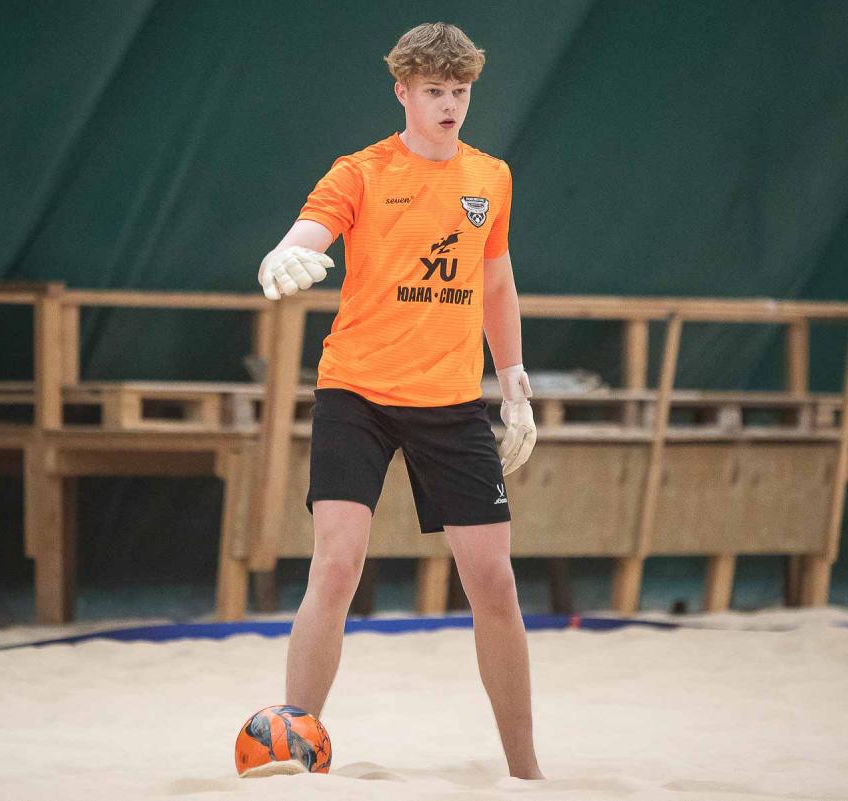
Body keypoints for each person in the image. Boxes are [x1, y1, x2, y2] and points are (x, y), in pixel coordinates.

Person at [256, 22, 543, 780]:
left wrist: (513, 376)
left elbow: (496, 280)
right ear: (403, 93)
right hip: (357, 391)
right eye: (434, 91)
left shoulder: (491, 177)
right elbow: (305, 236)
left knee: (495, 582)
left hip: (450, 399)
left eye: (461, 91)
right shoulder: (360, 172)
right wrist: (283, 257)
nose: (450, 105)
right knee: (336, 566)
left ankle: (525, 771)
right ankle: (295, 751)